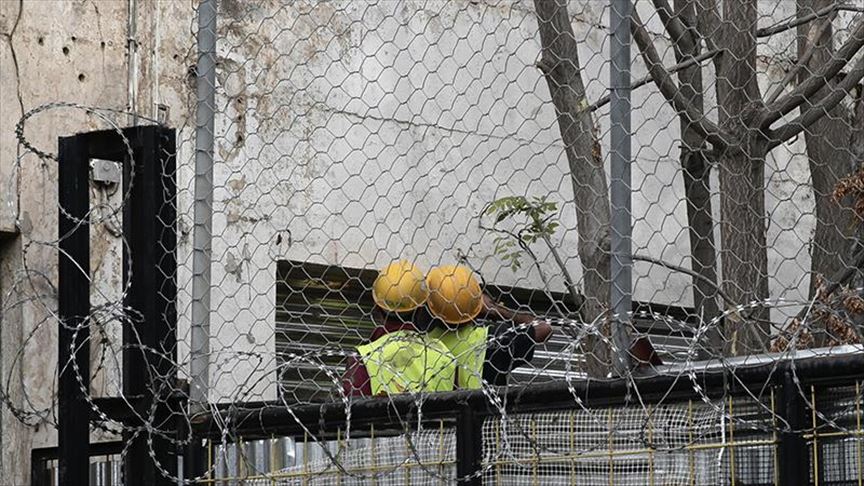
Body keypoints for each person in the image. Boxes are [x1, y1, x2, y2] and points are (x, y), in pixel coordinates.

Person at [424, 264, 554, 388]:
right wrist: (495, 310)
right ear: (476, 305)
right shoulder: (494, 340)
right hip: (484, 409)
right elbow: (544, 328)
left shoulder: (420, 341)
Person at [342, 260, 456, 397]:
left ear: (377, 308)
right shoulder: (444, 356)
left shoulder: (364, 358)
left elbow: (351, 411)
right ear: (420, 310)